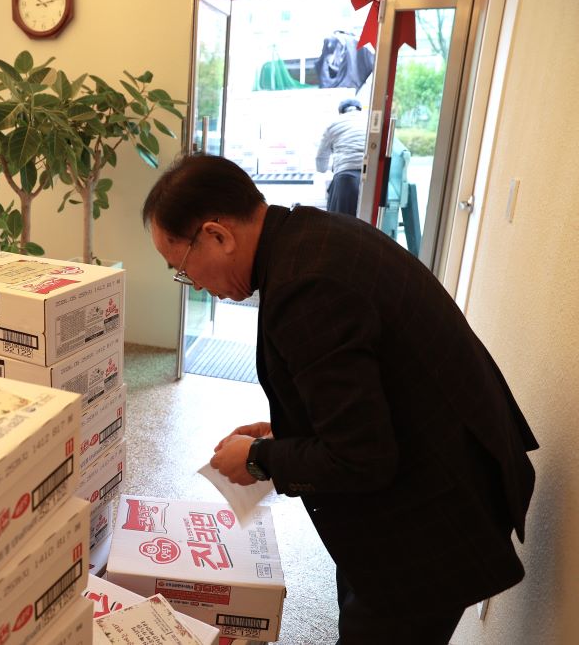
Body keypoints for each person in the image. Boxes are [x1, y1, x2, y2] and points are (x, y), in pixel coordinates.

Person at [143, 154, 538, 644]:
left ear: (218, 236)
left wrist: (261, 459)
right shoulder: (312, 236)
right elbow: (368, 390)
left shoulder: (306, 289)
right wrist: (287, 431)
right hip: (436, 469)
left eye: (182, 267)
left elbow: (363, 457)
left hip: (436, 520)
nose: (194, 284)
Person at [315, 98, 367, 216]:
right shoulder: (369, 120)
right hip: (372, 177)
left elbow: (320, 161)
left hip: (345, 178)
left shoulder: (333, 125)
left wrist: (327, 168)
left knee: (338, 222)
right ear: (359, 109)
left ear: (341, 111)